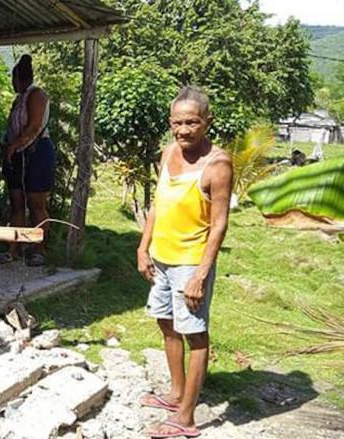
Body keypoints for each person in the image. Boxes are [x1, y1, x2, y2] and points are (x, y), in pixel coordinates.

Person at [137, 86, 233, 438]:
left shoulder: (218, 165)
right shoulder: (167, 154)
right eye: (177, 123)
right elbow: (157, 205)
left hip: (190, 264)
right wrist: (143, 247)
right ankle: (176, 394)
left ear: (208, 122)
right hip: (161, 259)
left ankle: (187, 417)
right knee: (166, 322)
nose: (183, 130)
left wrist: (200, 275)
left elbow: (220, 224)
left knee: (195, 334)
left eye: (191, 122)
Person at [0, 54, 56, 267]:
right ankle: (14, 248)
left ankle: (39, 249)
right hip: (17, 154)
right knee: (16, 202)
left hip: (37, 152)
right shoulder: (18, 99)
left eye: (13, 79)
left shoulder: (36, 95)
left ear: (20, 78)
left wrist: (15, 144)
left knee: (36, 203)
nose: (12, 84)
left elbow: (33, 127)